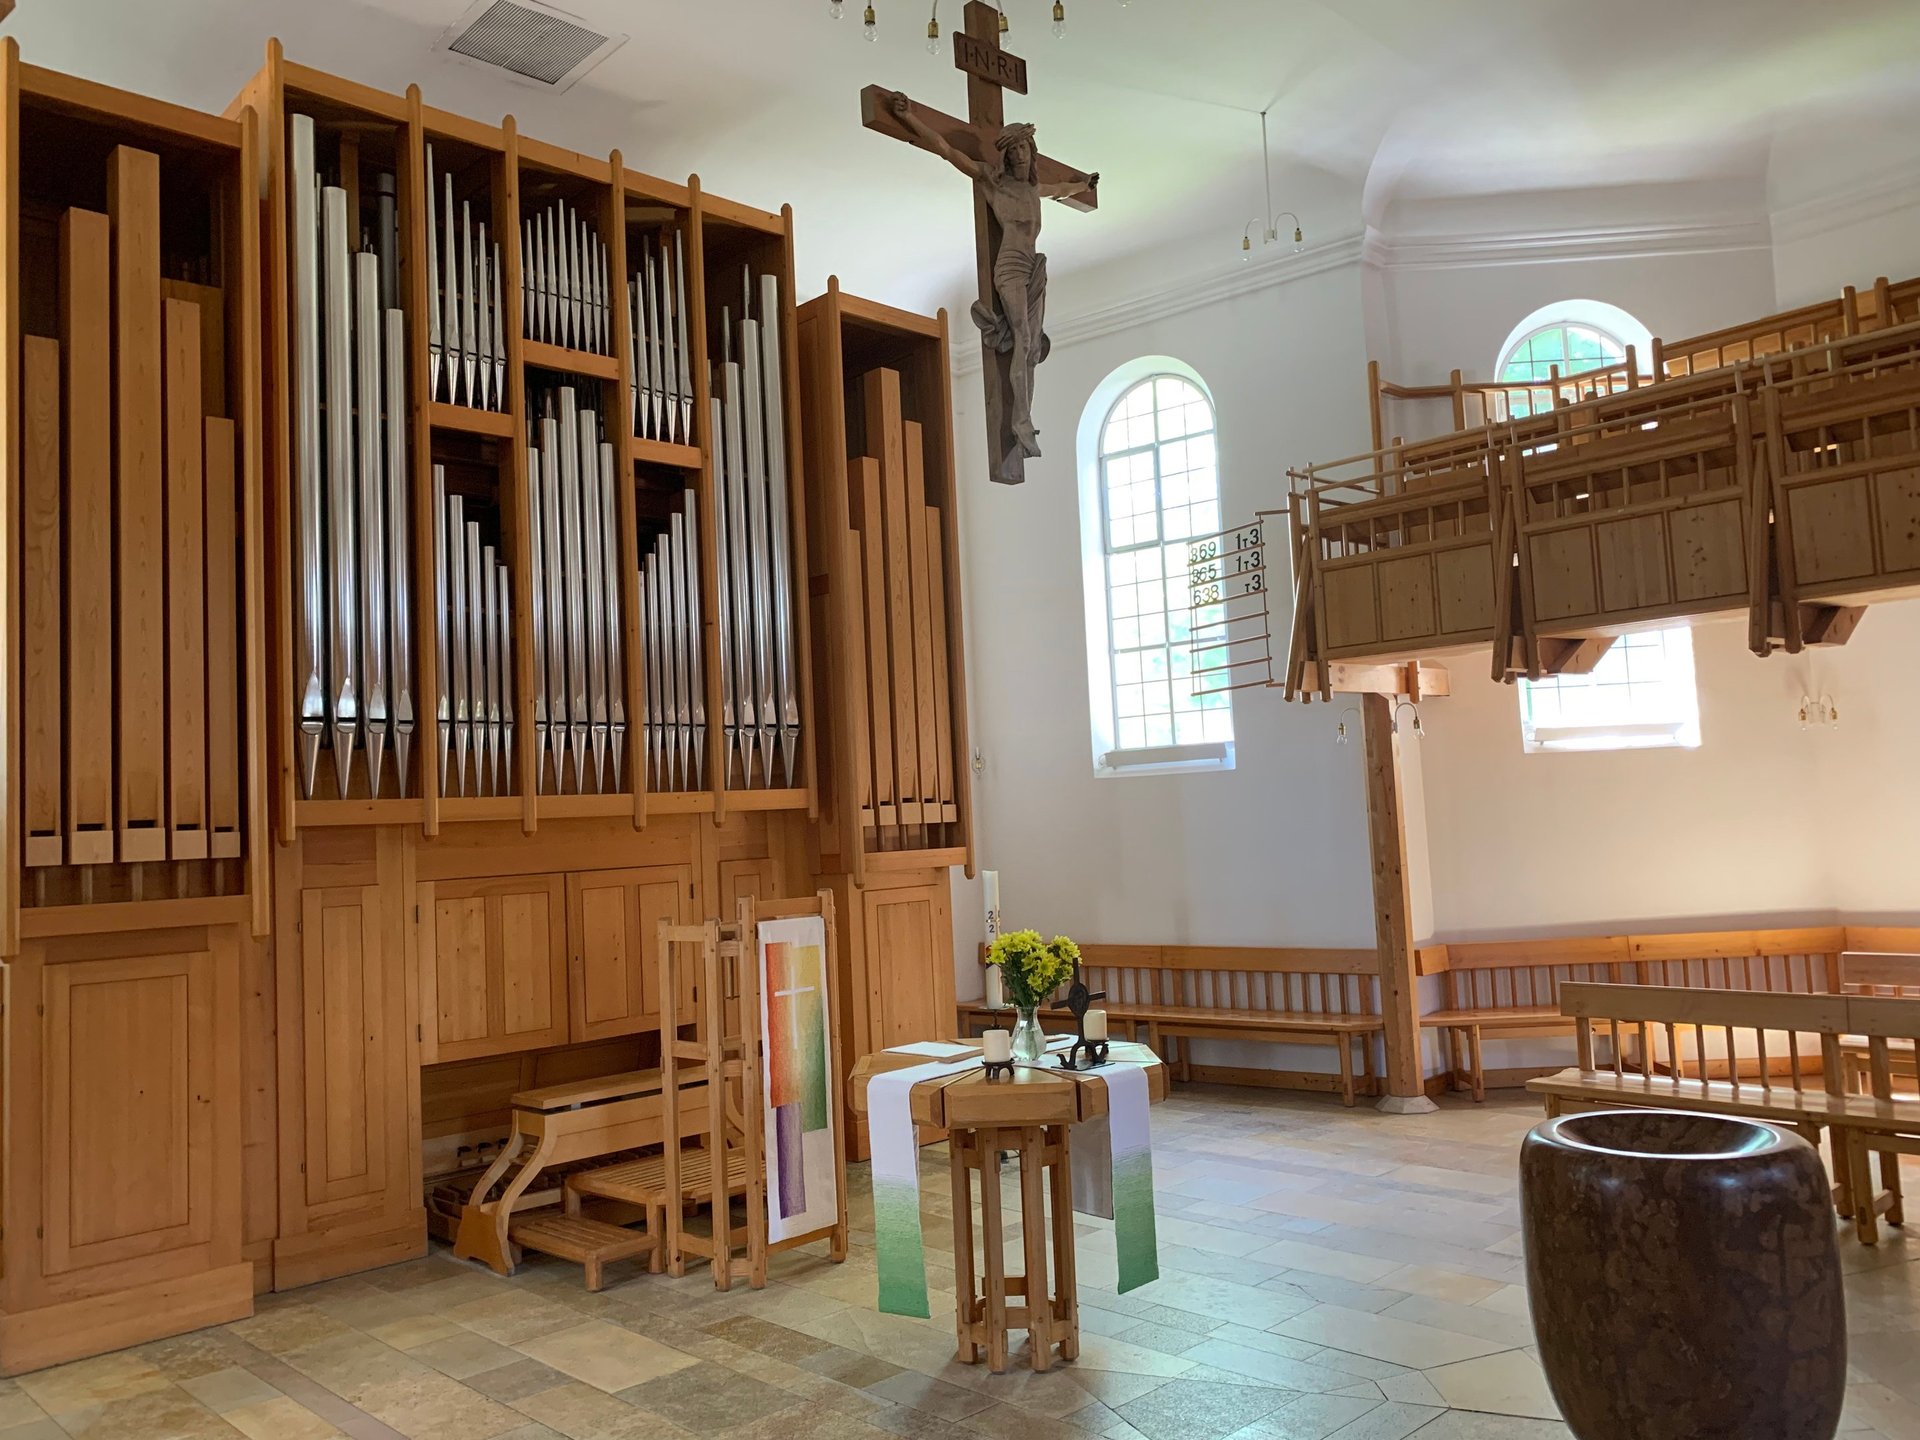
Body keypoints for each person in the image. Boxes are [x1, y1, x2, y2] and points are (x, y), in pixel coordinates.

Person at [887, 90, 1096, 465]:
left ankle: (1025, 419)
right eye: (1013, 149)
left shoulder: (1034, 188)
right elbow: (947, 150)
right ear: (1006, 155)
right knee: (1023, 337)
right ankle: (1021, 422)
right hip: (1011, 265)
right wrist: (908, 118)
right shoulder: (993, 182)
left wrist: (1084, 185)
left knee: (1032, 349)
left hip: (1033, 267)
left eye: (1025, 147)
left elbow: (1061, 190)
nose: (1020, 154)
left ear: (1031, 151)